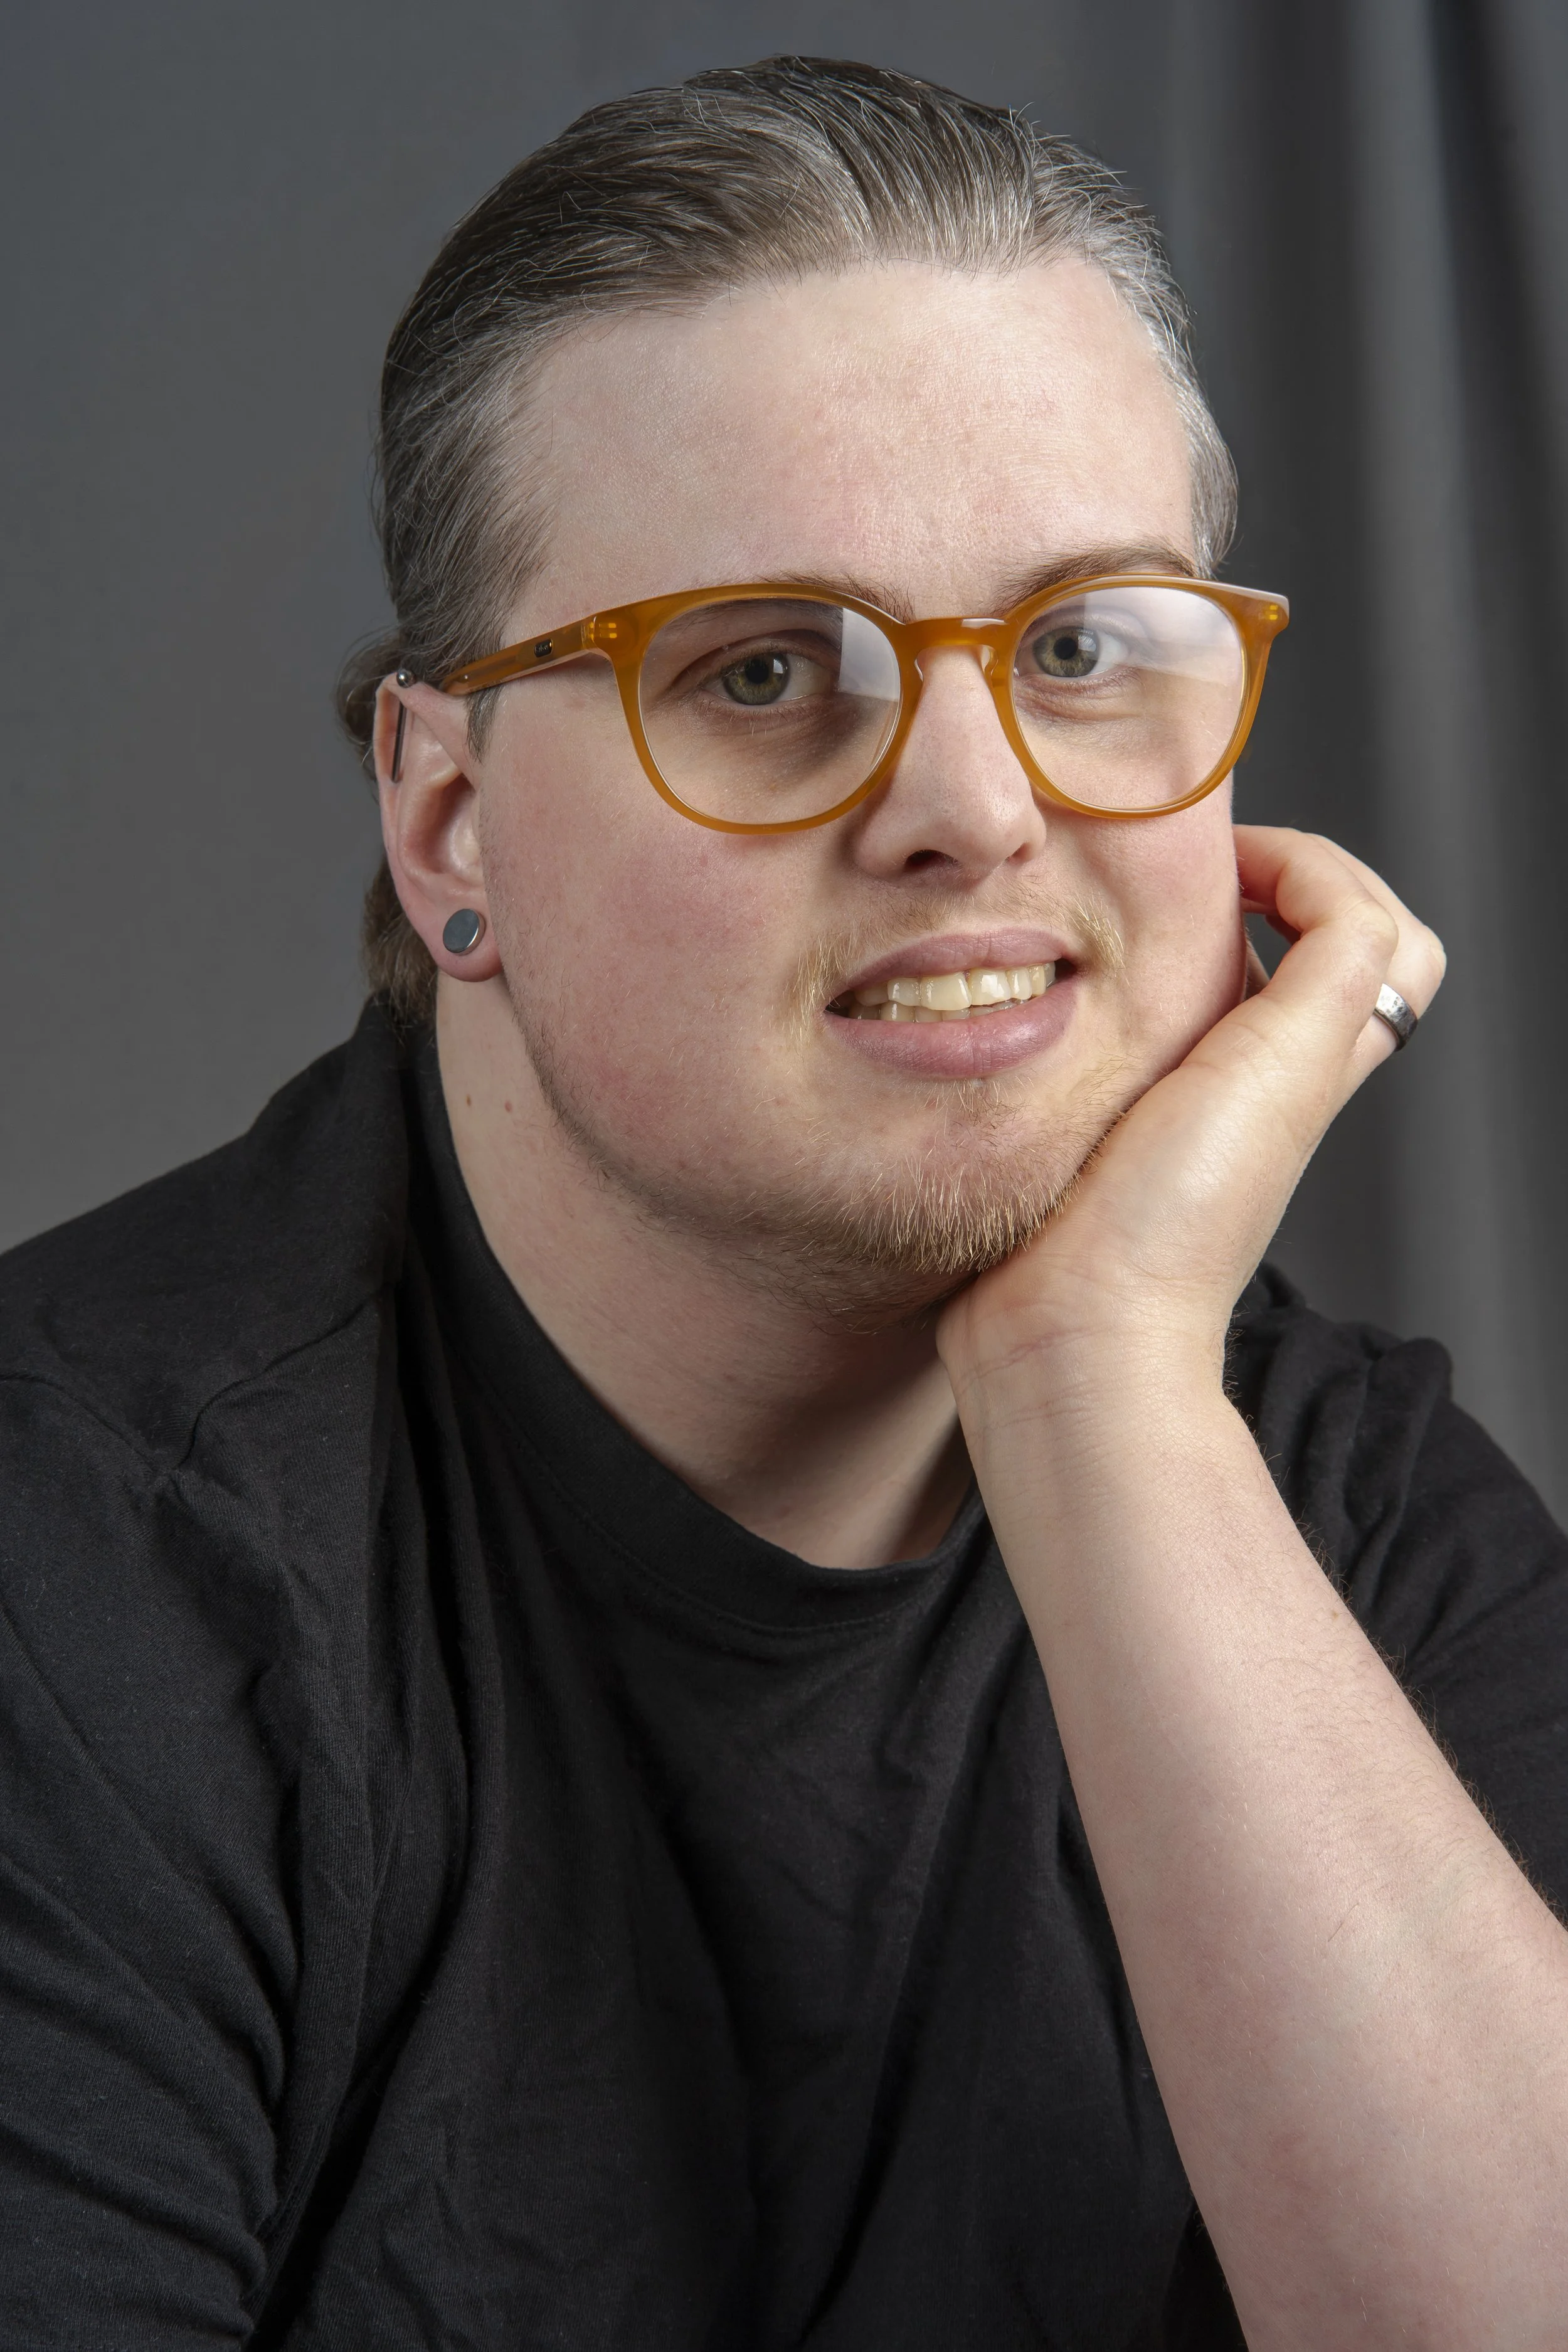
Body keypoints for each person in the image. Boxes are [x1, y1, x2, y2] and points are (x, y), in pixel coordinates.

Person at [2, 53, 1565, 2352]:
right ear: (448, 828)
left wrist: (1096, 1389)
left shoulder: (1350, 1510)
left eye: (1077, 648)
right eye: (758, 672)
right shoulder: (75, 1572)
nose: (970, 806)